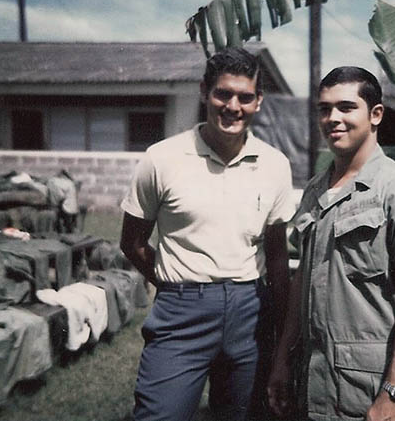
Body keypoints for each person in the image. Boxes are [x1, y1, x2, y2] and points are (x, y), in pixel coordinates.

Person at [120, 47, 295, 421]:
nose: (233, 106)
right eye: (223, 94)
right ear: (204, 92)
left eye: (245, 97)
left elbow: (278, 259)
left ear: (258, 101)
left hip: (250, 312)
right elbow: (132, 242)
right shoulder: (161, 159)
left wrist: (281, 340)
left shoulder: (275, 165)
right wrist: (176, 285)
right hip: (181, 312)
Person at [268, 67, 395, 421]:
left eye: (347, 107)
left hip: (372, 391)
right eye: (324, 108)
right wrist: (283, 360)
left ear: (375, 114)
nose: (333, 118)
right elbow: (303, 280)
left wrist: (394, 395)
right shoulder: (316, 190)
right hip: (315, 383)